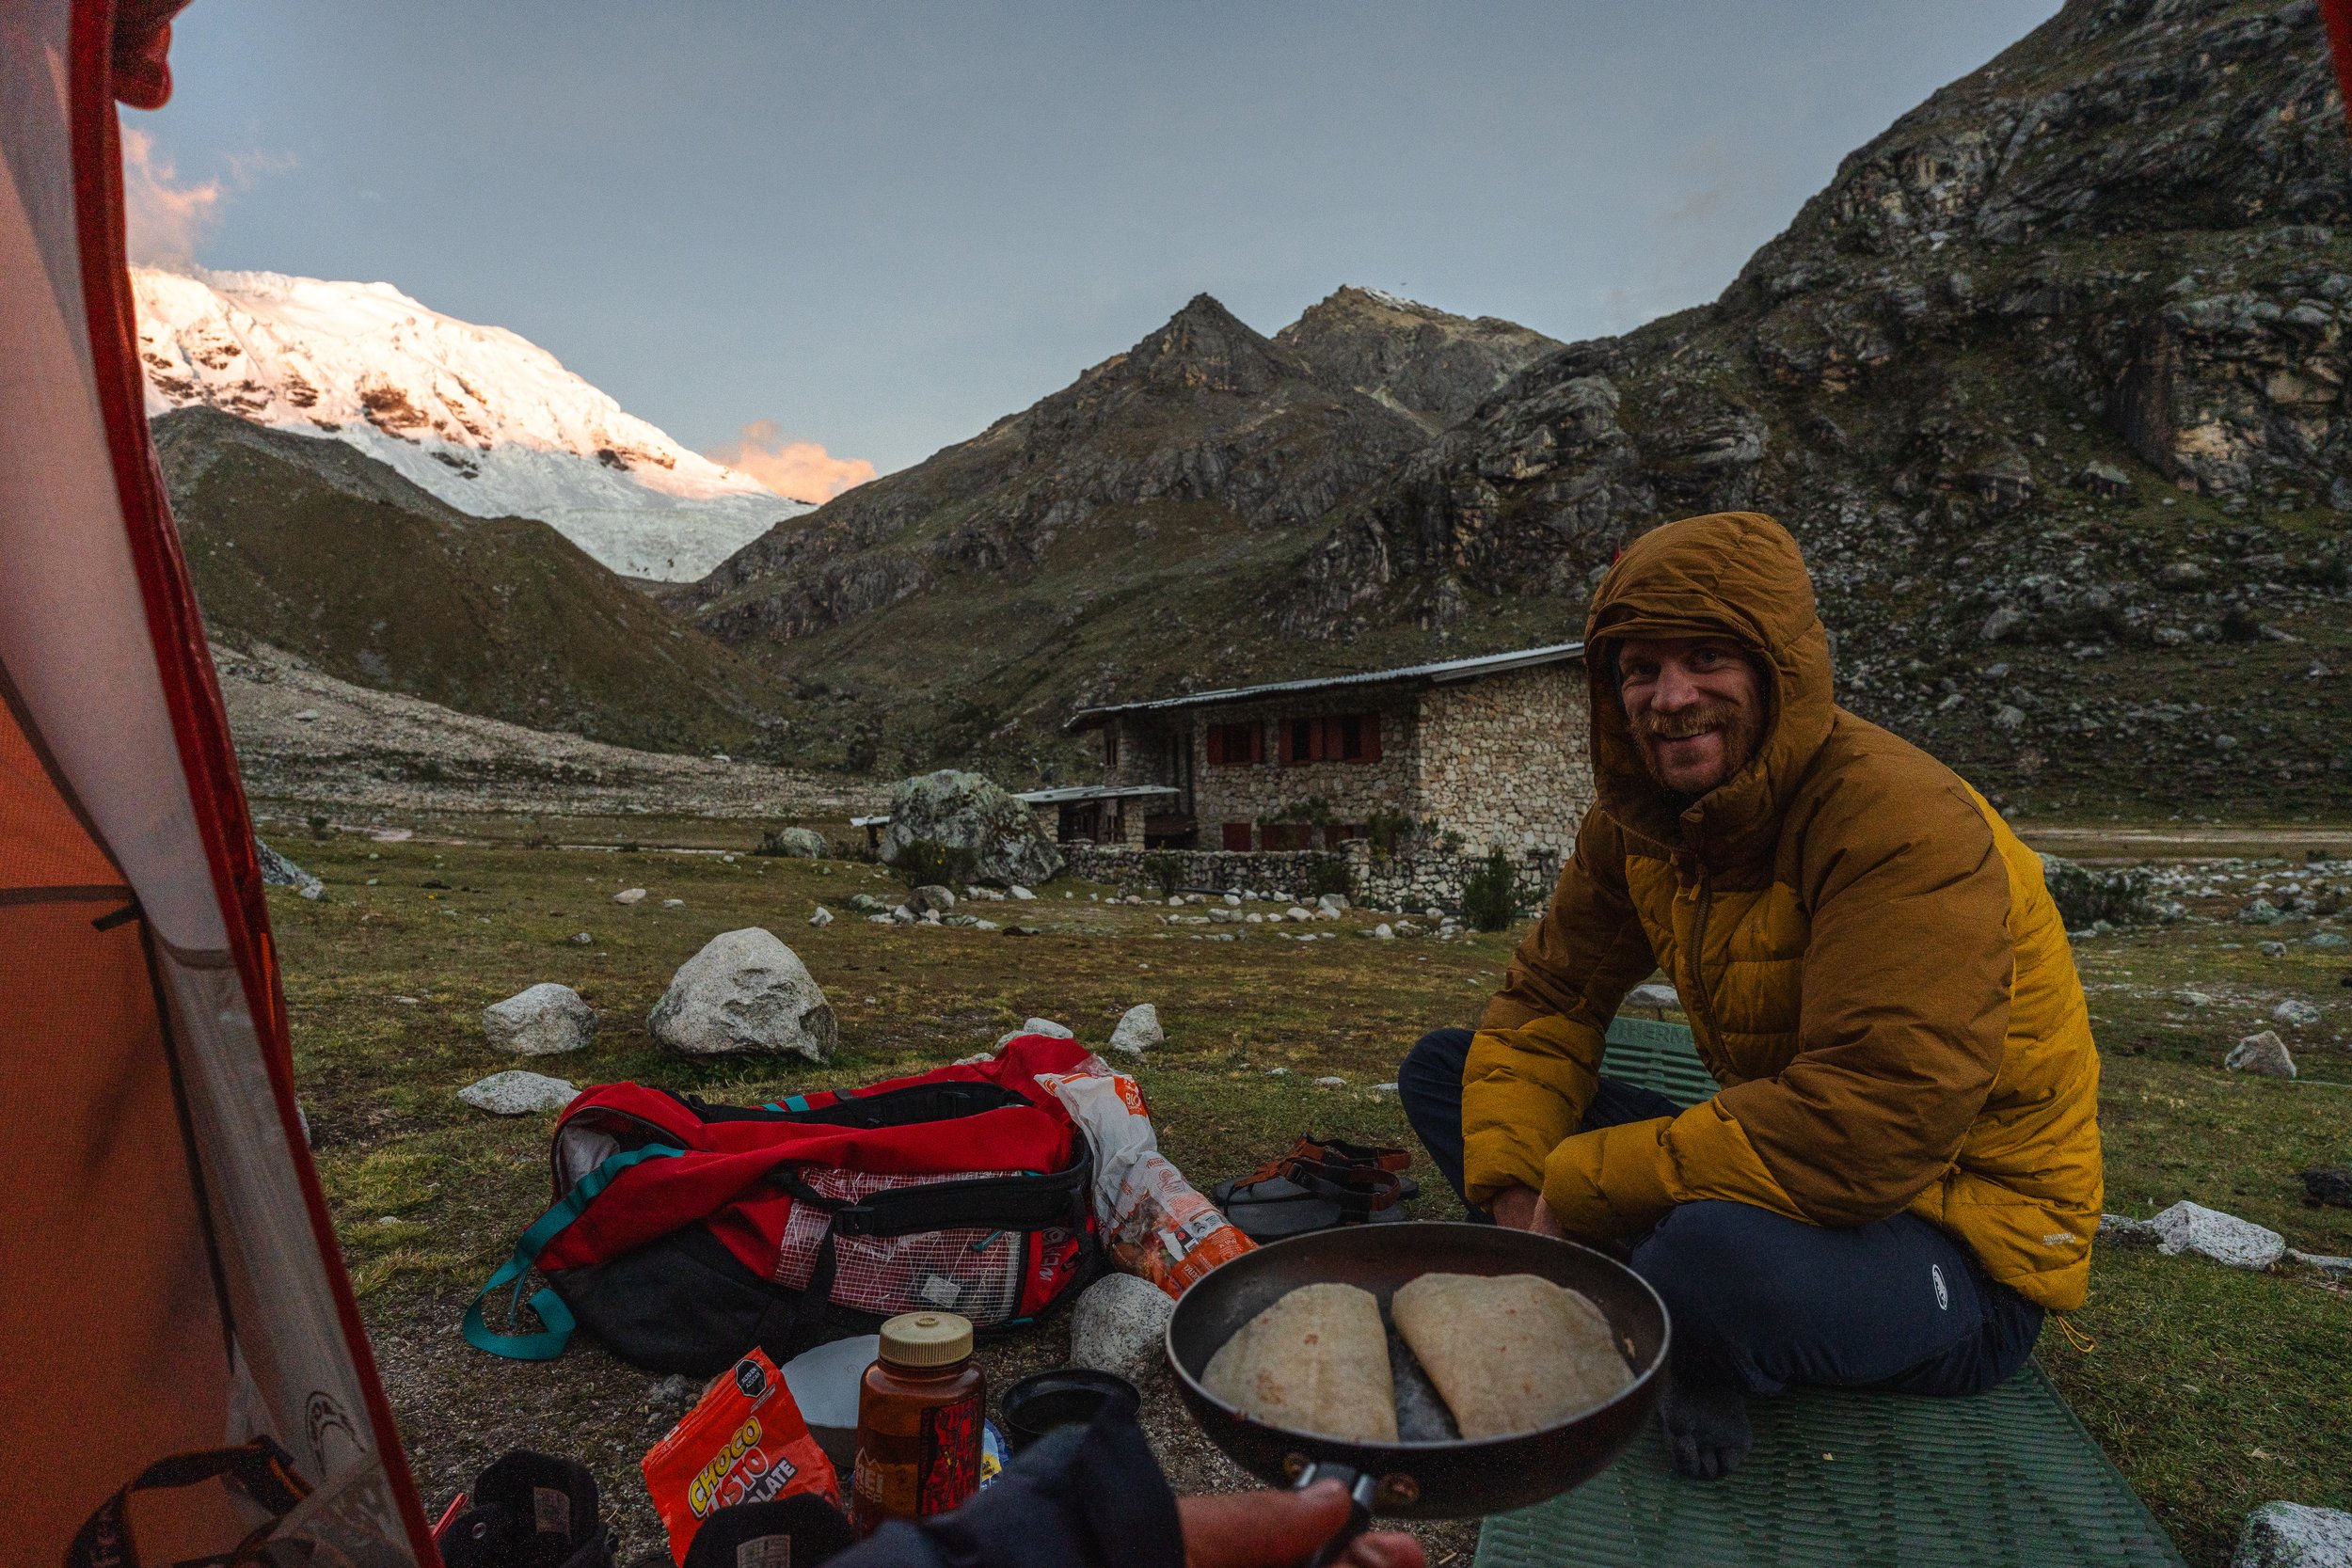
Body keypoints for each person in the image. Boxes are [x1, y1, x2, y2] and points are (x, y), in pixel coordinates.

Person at [1398, 511, 2101, 1481]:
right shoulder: (1642, 819)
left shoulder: (1901, 822)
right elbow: (1548, 999)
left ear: (1779, 668)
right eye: (1637, 668)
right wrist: (1524, 1202)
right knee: (1449, 1069)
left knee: (1710, 1257)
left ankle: (1695, 1325)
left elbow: (1874, 1123)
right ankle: (1639, 1277)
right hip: (1791, 1169)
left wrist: (1581, 1179)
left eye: (1706, 656)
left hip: (1957, 1237)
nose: (1668, 696)